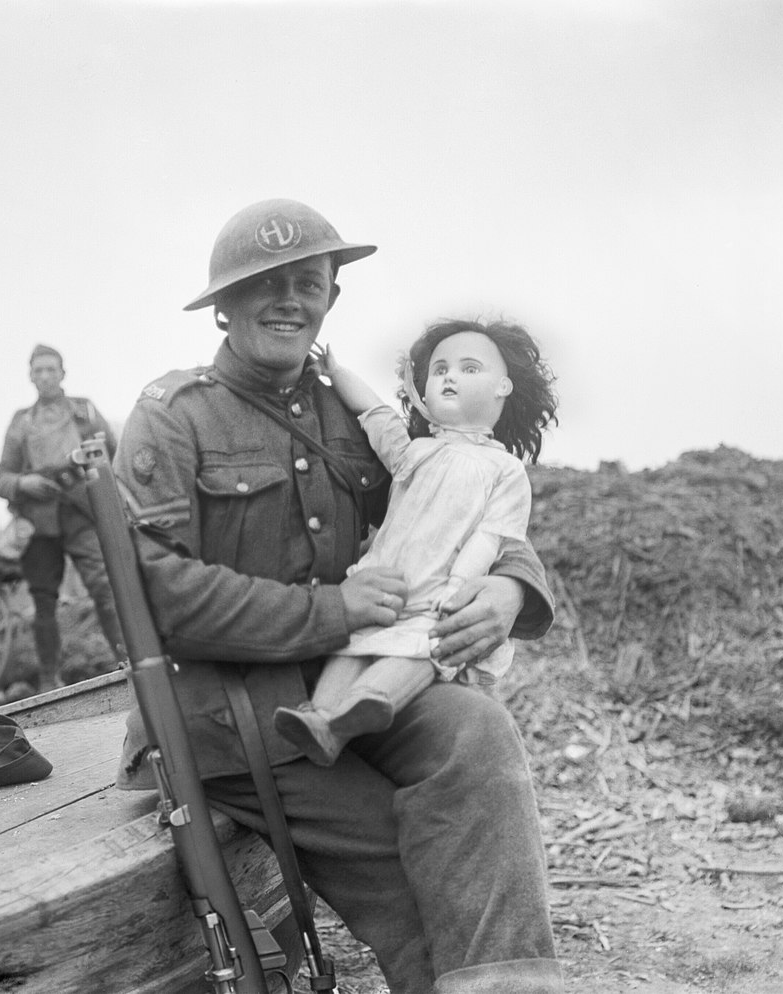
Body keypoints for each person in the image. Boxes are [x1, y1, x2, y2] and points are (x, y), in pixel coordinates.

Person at [112, 199, 561, 993]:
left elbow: (454, 500)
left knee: (478, 736)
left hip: (351, 673)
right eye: (266, 284)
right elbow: (160, 600)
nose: (289, 299)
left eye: (307, 282)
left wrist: (509, 588)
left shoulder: (348, 419)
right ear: (223, 306)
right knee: (416, 874)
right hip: (230, 720)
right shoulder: (171, 417)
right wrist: (334, 612)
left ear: (330, 299)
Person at [273, 322, 557, 765]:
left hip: (440, 590)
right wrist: (335, 371)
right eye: (440, 368)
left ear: (504, 386)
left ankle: (362, 707)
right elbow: (374, 413)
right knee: (356, 640)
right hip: (384, 580)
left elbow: (492, 536)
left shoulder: (505, 471)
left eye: (468, 367)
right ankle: (320, 719)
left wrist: (460, 587)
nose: (449, 376)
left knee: (428, 645)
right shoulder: (416, 452)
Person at [0, 344, 125, 688]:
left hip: (82, 513)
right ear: (30, 376)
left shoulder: (84, 411)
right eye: (38, 371)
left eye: (51, 369)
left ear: (63, 374)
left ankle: (128, 662)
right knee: (43, 601)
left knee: (106, 587)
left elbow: (114, 456)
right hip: (39, 522)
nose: (45, 376)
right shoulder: (21, 422)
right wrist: (26, 482)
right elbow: (1, 477)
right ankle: (50, 678)